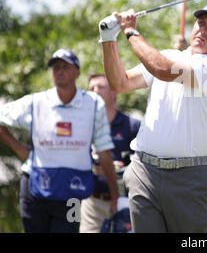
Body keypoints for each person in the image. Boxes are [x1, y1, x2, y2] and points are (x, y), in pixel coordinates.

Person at [98, 3, 207, 232]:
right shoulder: (169, 55)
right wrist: (108, 40)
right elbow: (120, 83)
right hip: (144, 171)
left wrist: (130, 31)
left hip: (187, 178)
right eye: (200, 23)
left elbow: (163, 70)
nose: (202, 30)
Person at [0, 49, 119, 233]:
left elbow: (104, 151)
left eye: (65, 67)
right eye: (56, 68)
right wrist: (20, 149)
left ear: (77, 73)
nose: (60, 71)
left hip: (73, 193)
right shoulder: (36, 102)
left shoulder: (94, 104)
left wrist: (115, 194)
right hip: (35, 187)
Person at [79, 73, 141, 233]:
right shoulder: (81, 125)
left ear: (114, 93)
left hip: (124, 201)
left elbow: (145, 166)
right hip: (92, 202)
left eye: (101, 87)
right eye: (91, 88)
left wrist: (121, 169)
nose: (95, 91)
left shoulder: (132, 126)